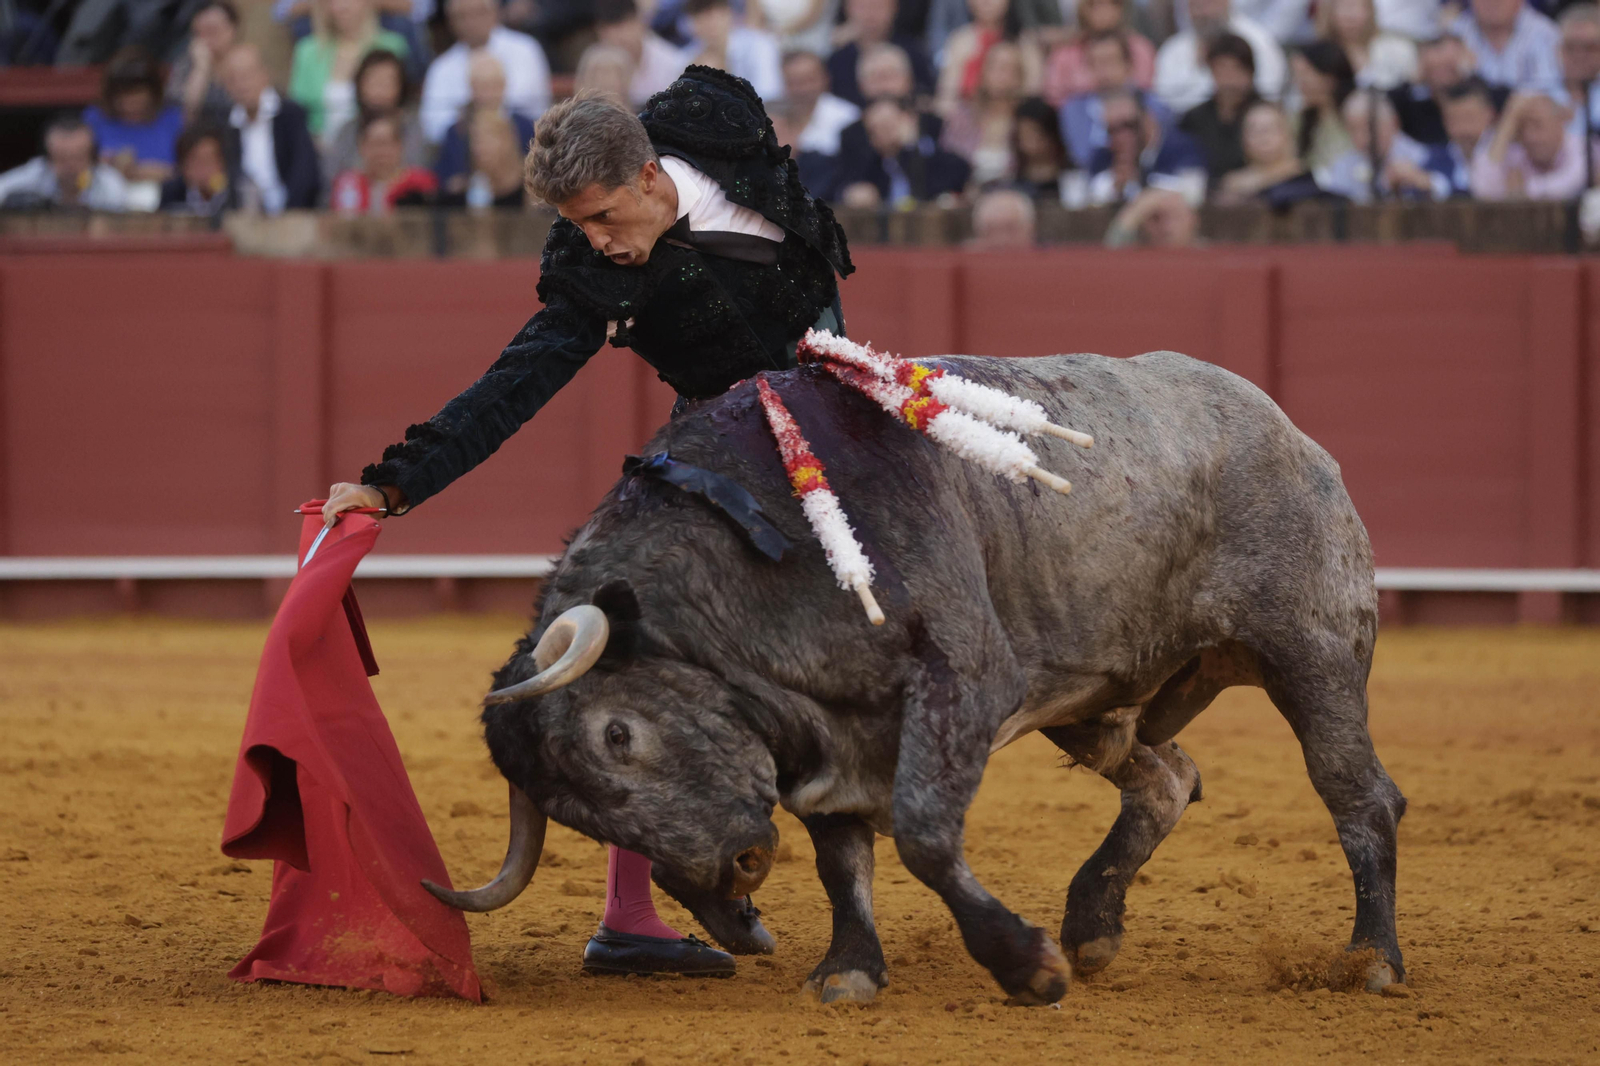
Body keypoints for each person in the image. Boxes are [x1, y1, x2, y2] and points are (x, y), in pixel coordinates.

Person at [319, 73, 850, 980]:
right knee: (641, 651)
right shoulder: (590, 269)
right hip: (722, 450)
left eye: (603, 216)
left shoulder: (717, 123)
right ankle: (630, 915)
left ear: (649, 175)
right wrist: (395, 483)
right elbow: (514, 383)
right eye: (578, 224)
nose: (597, 240)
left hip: (842, 412)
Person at [420, 0, 552, 143]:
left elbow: (529, 104)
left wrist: (479, 114)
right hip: (462, 147)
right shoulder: (441, 67)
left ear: (494, 12)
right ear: (451, 21)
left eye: (478, 12)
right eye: (462, 16)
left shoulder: (525, 49)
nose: (470, 22)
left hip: (524, 144)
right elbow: (433, 126)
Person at [222, 43, 323, 213]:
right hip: (244, 217)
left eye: (247, 76)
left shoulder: (291, 114)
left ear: (264, 74)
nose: (241, 85)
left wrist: (288, 216)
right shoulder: (226, 124)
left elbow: (304, 173)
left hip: (290, 216)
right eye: (233, 79)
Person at [289, 0, 411, 139]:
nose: (341, 7)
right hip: (319, 144)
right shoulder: (307, 51)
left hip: (374, 144)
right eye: (332, 1)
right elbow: (298, 109)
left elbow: (401, 105)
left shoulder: (392, 47)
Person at [1060, 31, 1173, 168]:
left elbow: (1163, 152)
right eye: (1096, 63)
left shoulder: (1155, 104)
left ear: (1128, 64)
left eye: (1110, 61)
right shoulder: (1074, 110)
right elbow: (1082, 157)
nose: (1103, 71)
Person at [1153, 0, 1285, 115]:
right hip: (1184, 129)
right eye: (1194, 5)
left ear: (1226, 2)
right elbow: (1162, 98)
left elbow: (1269, 95)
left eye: (1208, 3)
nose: (1202, 13)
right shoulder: (1172, 50)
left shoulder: (1258, 43)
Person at [1318, 89, 1451, 202]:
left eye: (1369, 128)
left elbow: (1447, 189)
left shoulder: (1425, 156)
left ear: (1394, 122)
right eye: (1353, 130)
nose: (1363, 138)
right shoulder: (1345, 164)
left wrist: (1421, 180)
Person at [322, 50, 430, 190]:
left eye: (387, 81)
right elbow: (331, 177)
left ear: (401, 86)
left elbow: (417, 170)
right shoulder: (347, 130)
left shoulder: (413, 128)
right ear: (359, 84)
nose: (380, 88)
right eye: (373, 80)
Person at [436, 51, 538, 197]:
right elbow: (444, 180)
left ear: (504, 85)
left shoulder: (527, 128)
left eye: (494, 85)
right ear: (471, 88)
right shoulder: (456, 132)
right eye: (481, 86)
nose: (488, 93)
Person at [837, 95, 973, 204]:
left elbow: (931, 191)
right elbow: (843, 187)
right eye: (873, 131)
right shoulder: (873, 165)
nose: (882, 135)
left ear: (910, 119)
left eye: (887, 126)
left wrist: (909, 149)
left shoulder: (942, 159)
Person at [1085, 87, 1207, 205]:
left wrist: (1139, 179)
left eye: (1129, 125)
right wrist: (1116, 184)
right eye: (1112, 130)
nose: (1121, 137)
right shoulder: (1105, 155)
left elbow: (1191, 192)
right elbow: (1089, 193)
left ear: (1148, 119)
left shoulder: (1181, 147)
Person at [84, 50, 187, 186]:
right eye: (122, 98)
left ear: (153, 94)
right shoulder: (95, 119)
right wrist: (106, 165)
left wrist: (138, 172)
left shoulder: (173, 119)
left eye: (137, 99)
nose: (129, 107)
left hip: (163, 194)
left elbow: (188, 171)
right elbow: (79, 167)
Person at [941, 39, 1032, 187]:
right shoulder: (962, 117)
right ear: (983, 72)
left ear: (1020, 77)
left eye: (1008, 69)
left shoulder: (1026, 120)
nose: (1000, 75)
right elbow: (947, 163)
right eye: (994, 67)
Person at [1178, 32, 1260, 191]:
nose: (1229, 78)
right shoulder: (1194, 118)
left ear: (1250, 72)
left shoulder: (1267, 114)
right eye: (1222, 70)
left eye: (1237, 69)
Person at [1471, 90, 1588, 199]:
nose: (1529, 137)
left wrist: (1523, 190)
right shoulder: (1517, 153)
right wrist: (1508, 122)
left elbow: (1573, 181)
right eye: (1521, 128)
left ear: (1559, 122)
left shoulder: (1581, 146)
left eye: (1537, 125)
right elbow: (1482, 188)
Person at [935, 0, 1042, 118]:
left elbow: (1033, 96)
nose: (986, 2)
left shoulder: (1026, 44)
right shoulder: (959, 41)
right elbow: (946, 100)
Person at [0, 115, 128, 211]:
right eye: (61, 158)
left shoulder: (110, 185)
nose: (70, 166)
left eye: (78, 157)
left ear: (93, 158)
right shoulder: (35, 173)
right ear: (47, 159)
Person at [1213, 100, 1326, 208]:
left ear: (1287, 134)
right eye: (1254, 130)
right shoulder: (1232, 184)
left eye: (1269, 129)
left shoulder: (1307, 180)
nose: (1262, 137)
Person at [1042, 0, 1155, 106]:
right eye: (1094, 5)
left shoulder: (1138, 48)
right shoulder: (1065, 53)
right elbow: (1054, 94)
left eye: (1110, 4)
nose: (1103, 11)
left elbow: (1145, 86)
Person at [827, 0, 937, 106]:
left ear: (894, 8)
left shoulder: (914, 53)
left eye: (878, 6)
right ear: (847, 8)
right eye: (862, 6)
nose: (870, 14)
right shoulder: (837, 60)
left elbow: (926, 97)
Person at [331, 111, 439, 212]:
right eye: (374, 144)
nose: (380, 152)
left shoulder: (421, 183)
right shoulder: (347, 184)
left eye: (386, 143)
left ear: (400, 146)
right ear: (361, 146)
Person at [1389, 32, 1481, 146]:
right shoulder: (1413, 106)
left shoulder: (1478, 100)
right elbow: (1386, 104)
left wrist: (1472, 74)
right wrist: (1412, 81)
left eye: (1448, 67)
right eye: (1435, 69)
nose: (1443, 78)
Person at [1451, 0, 1562, 94]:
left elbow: (1549, 95)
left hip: (1529, 112)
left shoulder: (1546, 34)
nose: (1492, 2)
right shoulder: (1453, 33)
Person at [595, 0, 692, 106]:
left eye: (626, 25)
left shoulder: (672, 63)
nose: (621, 36)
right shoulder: (594, 65)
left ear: (640, 21)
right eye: (612, 30)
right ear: (601, 32)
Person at [683, 0, 783, 100]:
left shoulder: (759, 45)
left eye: (714, 14)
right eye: (701, 16)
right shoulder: (688, 56)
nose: (710, 23)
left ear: (729, 13)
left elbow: (768, 96)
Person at [437, 109, 532, 207]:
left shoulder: (531, 186)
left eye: (488, 138)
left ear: (506, 141)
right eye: (476, 139)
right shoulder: (464, 189)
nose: (479, 147)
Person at [1319, 0, 1416, 91]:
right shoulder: (1319, 56)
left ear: (1370, 10)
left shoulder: (1398, 49)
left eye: (1356, 6)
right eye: (1343, 7)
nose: (1350, 16)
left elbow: (1412, 88)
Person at [1290, 40, 1357, 173]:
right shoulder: (1298, 121)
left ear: (1329, 77)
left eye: (1305, 74)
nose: (1299, 83)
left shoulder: (1358, 115)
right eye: (1296, 75)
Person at [170, 0, 241, 124]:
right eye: (199, 33)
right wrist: (201, 69)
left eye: (212, 31)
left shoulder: (246, 63)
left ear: (232, 29)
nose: (205, 40)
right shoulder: (185, 66)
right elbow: (185, 116)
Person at [780, 49, 860, 155]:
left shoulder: (847, 116)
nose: (802, 90)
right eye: (793, 82)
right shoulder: (774, 118)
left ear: (825, 78)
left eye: (809, 80)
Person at [1011, 96, 1079, 200]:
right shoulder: (1013, 181)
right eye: (1022, 134)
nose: (1025, 140)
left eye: (1032, 133)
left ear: (1050, 135)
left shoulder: (1073, 177)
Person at [1439, 76, 1498, 195]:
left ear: (1489, 114)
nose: (1464, 129)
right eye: (1455, 121)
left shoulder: (1511, 156)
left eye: (1470, 118)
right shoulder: (1436, 160)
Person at [159, 124, 234, 214]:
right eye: (198, 162)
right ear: (183, 167)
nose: (205, 169)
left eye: (210, 161)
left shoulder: (237, 192)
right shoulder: (171, 193)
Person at [1559, 5, 1600, 149]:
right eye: (1571, 47)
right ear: (1558, 50)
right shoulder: (1539, 95)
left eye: (1589, 48)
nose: (1579, 56)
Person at [1103, 186, 1200, 246]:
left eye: (1176, 218)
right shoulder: (1137, 259)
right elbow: (1110, 253)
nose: (1166, 228)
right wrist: (1136, 210)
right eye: (1156, 219)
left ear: (1192, 220)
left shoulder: (1206, 255)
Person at [966, 186, 1036, 247]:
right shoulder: (966, 255)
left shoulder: (1040, 254)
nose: (1001, 240)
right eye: (991, 231)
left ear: (1029, 229)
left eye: (1010, 229)